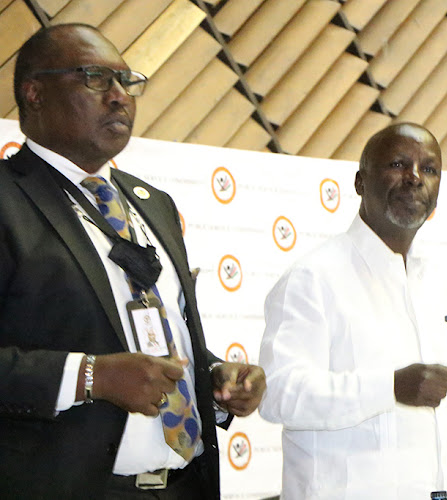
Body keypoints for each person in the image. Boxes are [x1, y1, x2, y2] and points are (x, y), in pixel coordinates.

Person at [0, 24, 265, 499]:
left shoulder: (152, 203)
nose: (121, 96)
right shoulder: (6, 199)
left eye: (127, 81)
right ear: (34, 93)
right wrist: (90, 377)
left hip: (187, 484)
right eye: (96, 78)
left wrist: (214, 379)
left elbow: (153, 334)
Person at [258, 122, 447, 499]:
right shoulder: (313, 278)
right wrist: (388, 387)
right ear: (360, 182)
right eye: (398, 165)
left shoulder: (435, 286)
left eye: (429, 169)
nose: (415, 178)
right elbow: (279, 393)